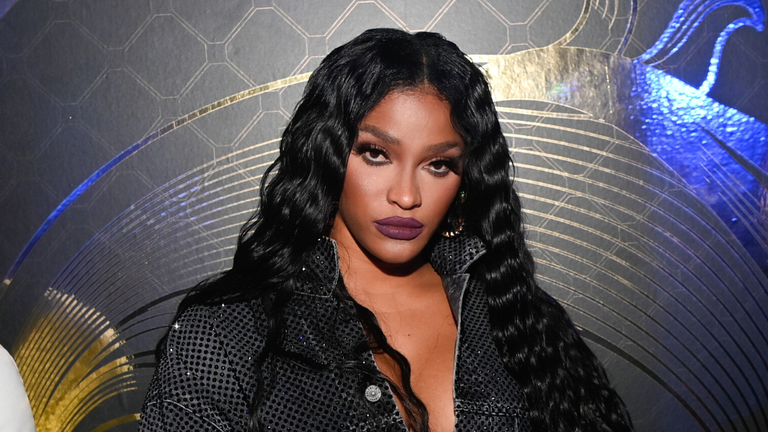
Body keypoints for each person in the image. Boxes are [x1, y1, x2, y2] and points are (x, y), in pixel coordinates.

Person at [139, 28, 633, 432]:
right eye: (376, 154)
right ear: (328, 154)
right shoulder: (226, 335)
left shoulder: (518, 319)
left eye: (438, 165)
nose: (407, 196)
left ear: (465, 179)